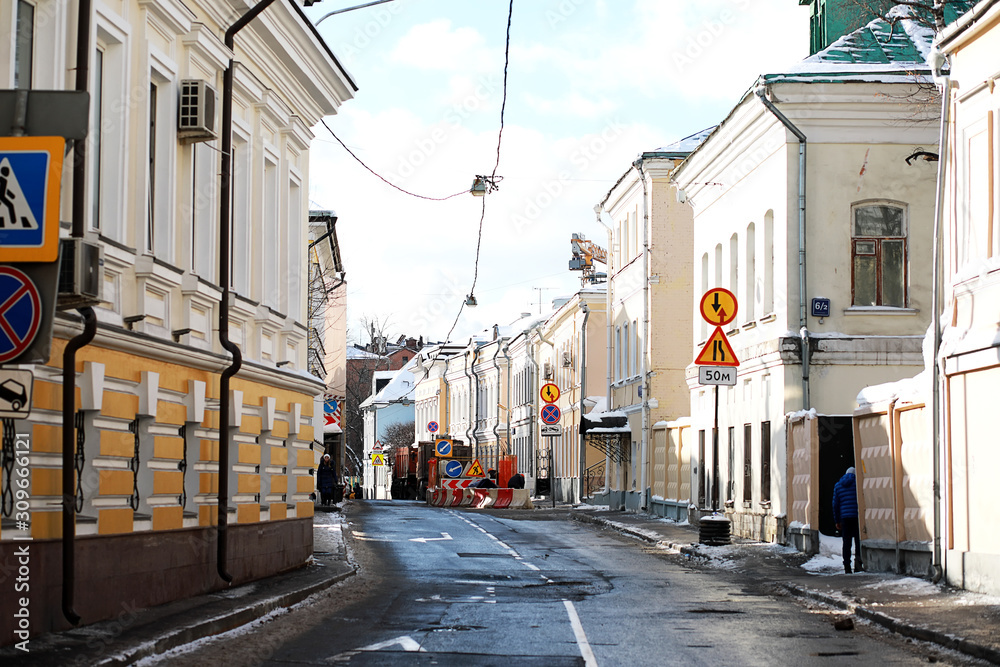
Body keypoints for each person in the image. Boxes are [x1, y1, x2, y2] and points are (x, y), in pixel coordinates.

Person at [832, 466, 862, 574]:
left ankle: (847, 566)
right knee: (858, 542)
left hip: (845, 518)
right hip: (857, 517)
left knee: (846, 543)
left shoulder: (838, 485)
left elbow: (835, 505)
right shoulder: (858, 484)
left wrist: (837, 520)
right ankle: (858, 565)